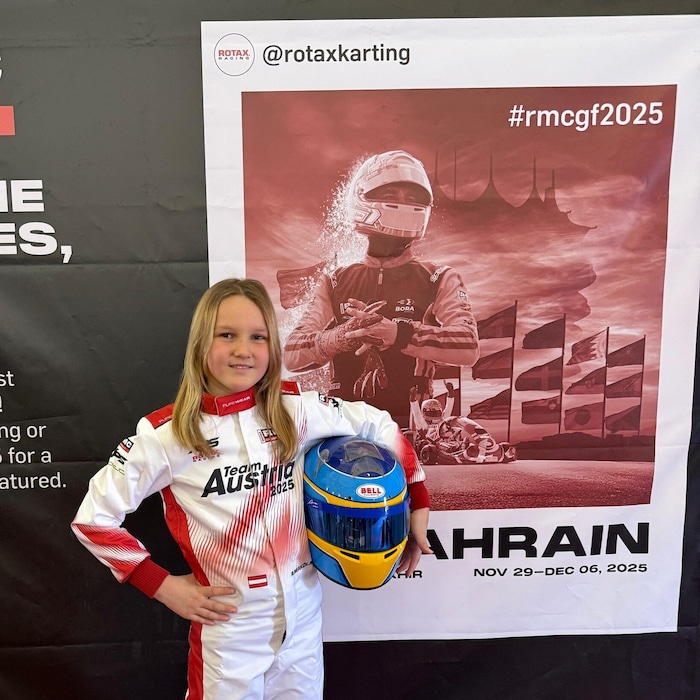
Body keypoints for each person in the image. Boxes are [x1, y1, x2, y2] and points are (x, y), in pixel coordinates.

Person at [71, 278, 430, 700]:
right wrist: (163, 586)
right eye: (227, 335)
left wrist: (417, 503)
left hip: (304, 618)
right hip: (229, 628)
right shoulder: (166, 435)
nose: (243, 349)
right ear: (200, 344)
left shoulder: (298, 410)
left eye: (258, 337)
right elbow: (93, 521)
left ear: (272, 348)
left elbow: (380, 425)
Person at [283, 149, 480, 428]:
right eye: (391, 195)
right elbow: (292, 354)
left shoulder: (439, 277)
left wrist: (399, 334)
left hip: (410, 427)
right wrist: (341, 337)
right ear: (362, 199)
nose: (403, 204)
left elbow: (468, 345)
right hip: (346, 428)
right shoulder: (335, 281)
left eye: (412, 198)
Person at [409, 382, 516, 465]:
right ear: (425, 412)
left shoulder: (443, 419)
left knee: (458, 434)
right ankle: (463, 451)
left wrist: (451, 394)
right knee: (438, 446)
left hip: (448, 441)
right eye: (432, 412)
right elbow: (416, 412)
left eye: (436, 412)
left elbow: (448, 407)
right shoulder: (422, 423)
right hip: (432, 443)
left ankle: (483, 445)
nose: (434, 414)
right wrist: (413, 398)